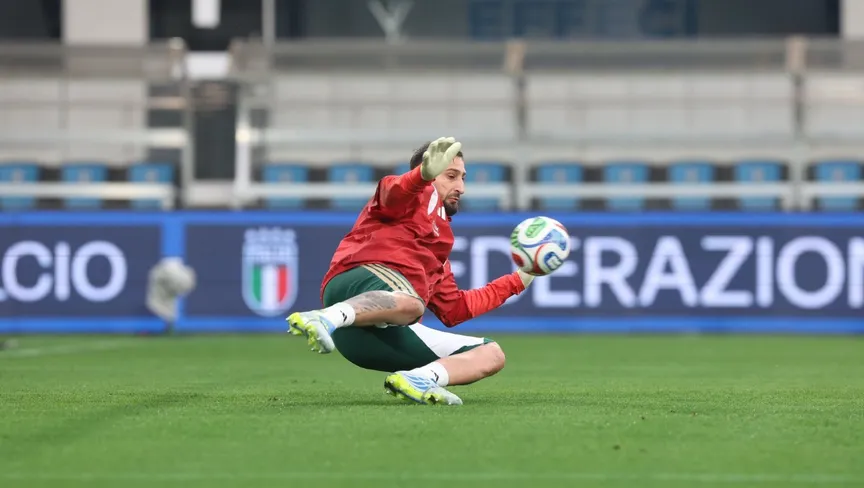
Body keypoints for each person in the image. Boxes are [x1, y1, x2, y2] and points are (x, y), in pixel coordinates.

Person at [286, 137, 538, 406]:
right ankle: (324, 317)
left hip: (371, 341)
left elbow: (456, 309)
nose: (461, 187)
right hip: (355, 282)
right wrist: (422, 176)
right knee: (413, 304)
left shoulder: (439, 245)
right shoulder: (413, 195)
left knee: (491, 353)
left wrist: (520, 280)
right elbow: (391, 191)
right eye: (451, 176)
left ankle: (420, 378)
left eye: (463, 178)